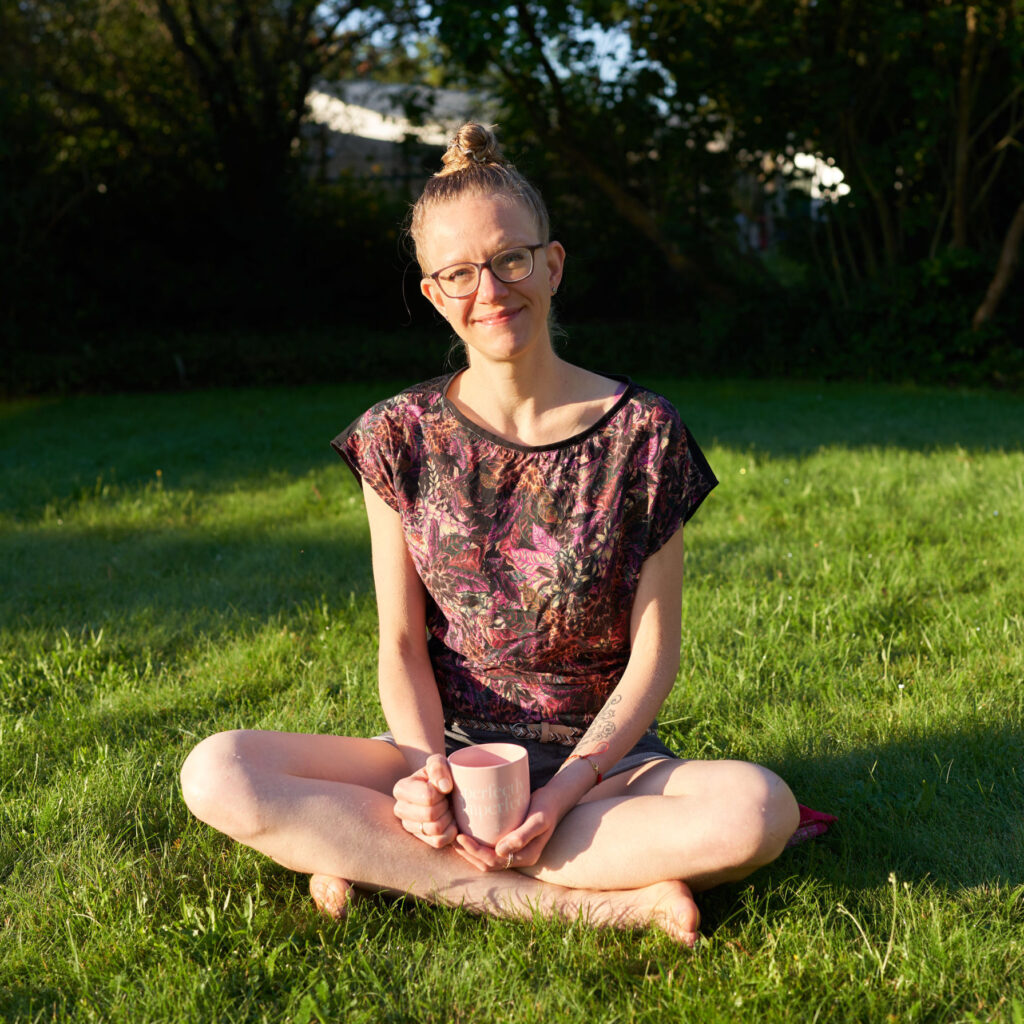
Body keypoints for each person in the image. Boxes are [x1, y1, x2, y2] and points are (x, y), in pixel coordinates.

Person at [179, 123, 803, 947]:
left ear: (552, 264)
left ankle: (376, 858)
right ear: (434, 292)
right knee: (217, 771)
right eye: (460, 273)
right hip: (446, 749)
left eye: (512, 259)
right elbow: (401, 644)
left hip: (604, 768)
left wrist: (563, 790)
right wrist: (420, 771)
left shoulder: (645, 432)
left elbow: (655, 657)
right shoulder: (397, 434)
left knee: (759, 810)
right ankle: (601, 904)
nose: (492, 289)